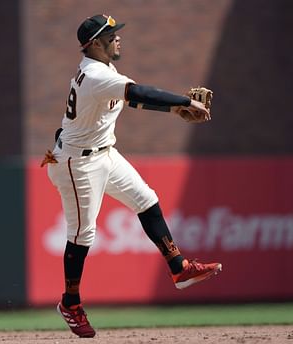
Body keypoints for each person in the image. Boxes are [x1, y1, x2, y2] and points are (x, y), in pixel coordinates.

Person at [42, 14, 222, 338]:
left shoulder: (103, 72)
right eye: (111, 35)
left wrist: (173, 110)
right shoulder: (96, 75)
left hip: (103, 152)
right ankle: (70, 303)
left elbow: (130, 100)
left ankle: (178, 268)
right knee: (83, 234)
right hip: (76, 163)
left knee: (146, 199)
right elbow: (140, 93)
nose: (117, 39)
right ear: (95, 43)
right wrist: (184, 101)